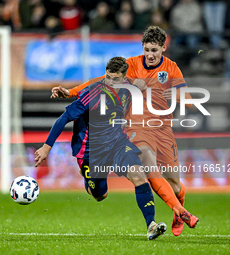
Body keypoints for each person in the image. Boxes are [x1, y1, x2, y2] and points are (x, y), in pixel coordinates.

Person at [50, 26, 198, 236]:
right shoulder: (132, 64)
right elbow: (101, 81)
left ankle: (177, 204)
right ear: (142, 48)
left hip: (163, 129)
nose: (150, 54)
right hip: (136, 127)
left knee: (174, 185)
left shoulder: (172, 69)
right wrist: (71, 92)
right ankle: (181, 212)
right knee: (147, 164)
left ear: (163, 48)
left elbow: (188, 101)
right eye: (147, 49)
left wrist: (169, 95)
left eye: (154, 50)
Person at [36, 57, 167, 240]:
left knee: (138, 176)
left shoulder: (130, 88)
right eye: (107, 77)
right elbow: (64, 118)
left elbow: (142, 84)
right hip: (91, 151)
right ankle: (88, 178)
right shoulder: (93, 94)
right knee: (100, 195)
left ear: (123, 78)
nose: (110, 82)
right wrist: (46, 147)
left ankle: (151, 225)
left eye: (115, 79)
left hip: (117, 143)